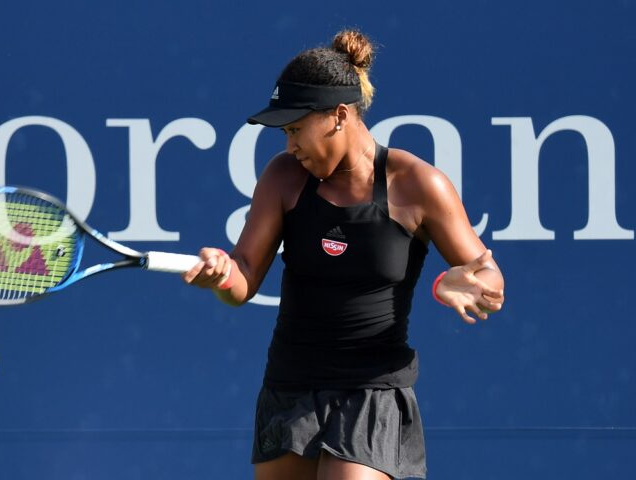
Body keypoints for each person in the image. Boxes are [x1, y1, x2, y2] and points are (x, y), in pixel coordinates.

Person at [183, 29, 505, 480]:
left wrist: (462, 281)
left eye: (296, 129)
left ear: (338, 115)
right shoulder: (283, 177)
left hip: (371, 392)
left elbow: (490, 279)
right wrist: (221, 276)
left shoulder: (418, 184)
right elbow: (245, 276)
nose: (289, 145)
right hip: (289, 388)